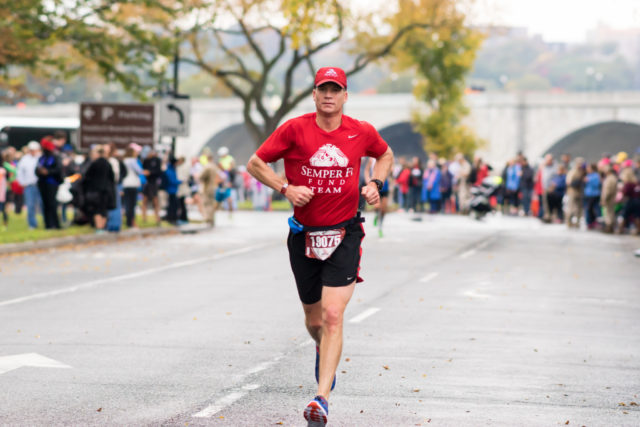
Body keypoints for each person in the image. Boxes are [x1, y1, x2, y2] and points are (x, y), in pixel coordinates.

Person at [246, 66, 393, 426]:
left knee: (332, 315)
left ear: (345, 96)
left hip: (345, 233)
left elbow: (385, 155)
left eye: (336, 89)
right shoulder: (294, 130)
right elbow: (255, 163)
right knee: (314, 319)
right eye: (322, 89)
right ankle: (323, 346)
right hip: (303, 235)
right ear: (313, 95)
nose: (329, 95)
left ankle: (321, 398)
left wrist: (376, 182)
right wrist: (285, 188)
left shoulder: (361, 131)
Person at [82, 145, 115, 233]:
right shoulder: (107, 163)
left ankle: (98, 228)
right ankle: (102, 227)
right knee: (103, 210)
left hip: (96, 190)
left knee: (97, 210)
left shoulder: (95, 163)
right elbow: (112, 177)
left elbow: (87, 177)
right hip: (106, 190)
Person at [35, 137, 63, 229]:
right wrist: (40, 171)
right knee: (45, 204)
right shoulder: (42, 158)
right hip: (43, 184)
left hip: (52, 183)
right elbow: (36, 170)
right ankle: (48, 224)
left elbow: (58, 170)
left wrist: (48, 172)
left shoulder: (54, 157)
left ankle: (56, 224)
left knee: (52, 204)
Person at [17, 141, 42, 229]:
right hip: (29, 185)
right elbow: (19, 172)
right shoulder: (25, 159)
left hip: (40, 185)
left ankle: (45, 222)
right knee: (30, 205)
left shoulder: (40, 158)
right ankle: (32, 224)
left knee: (42, 204)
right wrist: (22, 182)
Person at [122, 145, 144, 228]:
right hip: (133, 184)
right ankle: (131, 222)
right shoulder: (133, 160)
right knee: (132, 204)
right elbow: (139, 171)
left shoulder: (124, 160)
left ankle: (128, 221)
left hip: (125, 184)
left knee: (127, 204)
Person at [198, 152, 221, 227]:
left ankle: (208, 219)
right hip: (214, 187)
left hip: (207, 187)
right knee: (211, 203)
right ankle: (212, 219)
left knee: (206, 204)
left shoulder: (207, 167)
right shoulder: (215, 166)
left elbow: (201, 177)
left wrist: (198, 177)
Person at [142, 149, 162, 225]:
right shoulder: (146, 160)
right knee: (144, 200)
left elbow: (158, 171)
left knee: (155, 201)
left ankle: (157, 218)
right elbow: (143, 170)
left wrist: (150, 173)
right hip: (147, 182)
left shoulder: (157, 160)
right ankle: (144, 218)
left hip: (153, 183)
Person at [565, 157, 586, 228]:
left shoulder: (582, 172)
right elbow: (569, 182)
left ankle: (577, 222)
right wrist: (577, 182)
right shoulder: (573, 171)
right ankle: (569, 222)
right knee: (571, 207)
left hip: (579, 192)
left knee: (579, 208)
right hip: (572, 192)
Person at [600, 165, 618, 233]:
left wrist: (604, 199)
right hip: (612, 198)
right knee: (611, 212)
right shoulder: (613, 178)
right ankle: (611, 227)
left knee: (607, 213)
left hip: (608, 199)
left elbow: (607, 190)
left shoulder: (609, 179)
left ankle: (609, 227)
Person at [583, 163, 601, 229]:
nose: (587, 169)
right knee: (589, 209)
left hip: (593, 194)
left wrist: (589, 180)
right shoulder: (588, 175)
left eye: (589, 168)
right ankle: (590, 222)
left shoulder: (596, 175)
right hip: (587, 194)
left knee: (590, 208)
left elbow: (596, 184)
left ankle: (591, 222)